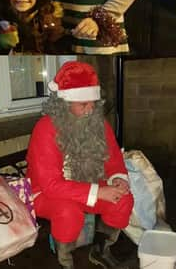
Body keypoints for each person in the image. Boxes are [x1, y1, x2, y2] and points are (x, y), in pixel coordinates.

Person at [26, 61, 133, 269]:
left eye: (93, 102)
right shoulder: (45, 128)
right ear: (64, 104)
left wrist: (118, 178)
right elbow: (50, 185)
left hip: (87, 185)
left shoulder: (98, 123)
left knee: (123, 199)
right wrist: (99, 192)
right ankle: (66, 262)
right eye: (83, 104)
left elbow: (114, 160)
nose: (90, 109)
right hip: (46, 193)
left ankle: (101, 251)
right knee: (68, 212)